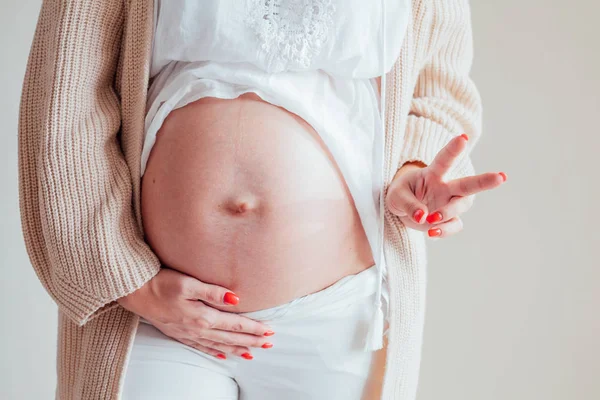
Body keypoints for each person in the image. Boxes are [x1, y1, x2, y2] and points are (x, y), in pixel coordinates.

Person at [17, 0, 505, 399]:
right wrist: (125, 280)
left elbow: (438, 93)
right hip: (155, 313)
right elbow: (64, 98)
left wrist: (415, 171)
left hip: (340, 316)